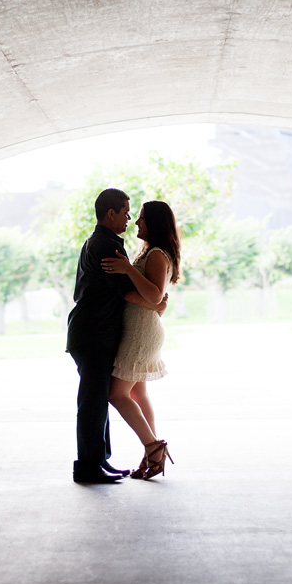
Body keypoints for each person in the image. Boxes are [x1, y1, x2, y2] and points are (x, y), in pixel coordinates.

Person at [66, 188, 168, 484]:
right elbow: (123, 291)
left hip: (94, 332)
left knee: (98, 399)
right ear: (110, 214)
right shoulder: (107, 245)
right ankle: (88, 465)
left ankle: (99, 460)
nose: (129, 219)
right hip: (94, 332)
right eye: (125, 213)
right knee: (93, 400)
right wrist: (157, 303)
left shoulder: (102, 241)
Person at [101, 200, 180, 480]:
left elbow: (155, 296)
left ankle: (153, 447)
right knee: (137, 393)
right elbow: (155, 300)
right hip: (141, 327)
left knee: (117, 394)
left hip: (141, 333)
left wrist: (127, 271)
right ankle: (152, 455)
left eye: (142, 218)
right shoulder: (150, 251)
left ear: (155, 223)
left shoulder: (157, 254)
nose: (136, 222)